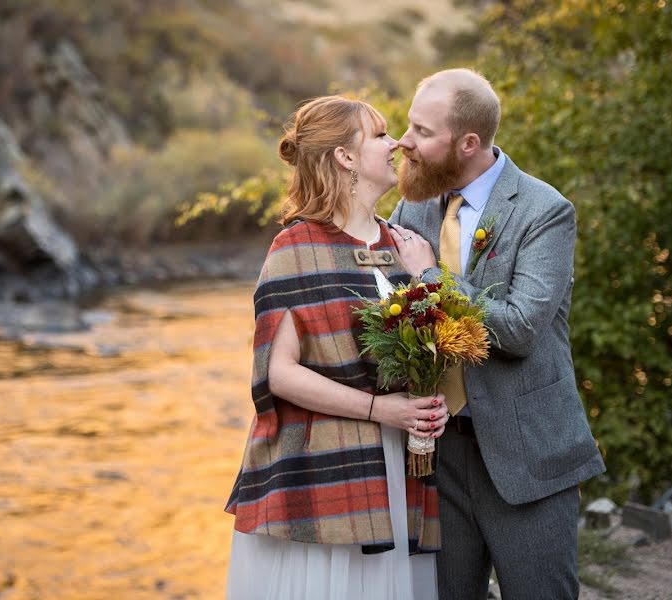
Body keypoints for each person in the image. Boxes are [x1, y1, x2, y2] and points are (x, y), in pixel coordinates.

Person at [387, 68, 606, 599]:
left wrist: (429, 277)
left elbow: (521, 329)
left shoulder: (545, 212)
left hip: (528, 454)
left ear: (467, 143)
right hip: (435, 456)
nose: (404, 142)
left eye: (421, 131)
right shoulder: (414, 206)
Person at [224, 95, 450, 600]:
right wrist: (379, 409)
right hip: (326, 472)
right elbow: (278, 375)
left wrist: (429, 402)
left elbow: (433, 346)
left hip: (401, 465)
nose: (395, 144)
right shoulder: (294, 248)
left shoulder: (405, 245)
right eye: (379, 135)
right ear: (345, 157)